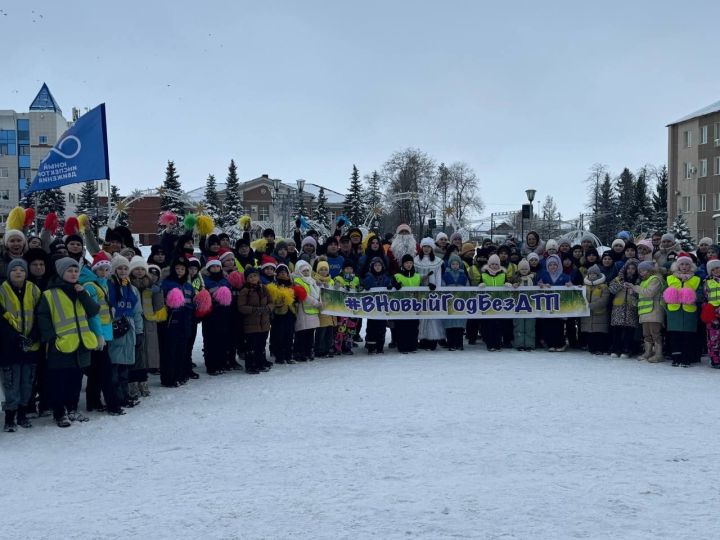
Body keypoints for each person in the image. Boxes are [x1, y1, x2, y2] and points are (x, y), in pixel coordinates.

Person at [37, 257, 100, 427]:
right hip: (61, 345)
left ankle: (72, 409)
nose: (73, 274)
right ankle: (59, 413)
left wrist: (82, 294)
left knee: (75, 380)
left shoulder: (81, 290)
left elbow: (94, 310)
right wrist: (51, 338)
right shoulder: (50, 294)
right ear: (61, 272)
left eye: (75, 271)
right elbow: (43, 317)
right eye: (69, 271)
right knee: (59, 382)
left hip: (81, 344)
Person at [0, 259, 41, 431]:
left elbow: (41, 313)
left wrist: (33, 335)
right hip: (9, 346)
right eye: (14, 270)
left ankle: (23, 413)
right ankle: (10, 416)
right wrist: (14, 337)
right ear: (8, 273)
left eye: (21, 270)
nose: (18, 272)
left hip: (30, 345)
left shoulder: (33, 289)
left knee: (27, 382)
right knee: (11, 383)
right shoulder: (2, 290)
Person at [107, 254, 144, 409]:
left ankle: (125, 394)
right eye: (119, 268)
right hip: (115, 329)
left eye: (125, 268)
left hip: (129, 329)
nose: (122, 271)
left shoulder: (132, 288)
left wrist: (139, 331)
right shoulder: (109, 286)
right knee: (114, 366)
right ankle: (116, 397)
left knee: (124, 367)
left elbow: (137, 312)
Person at [160, 258, 195, 387]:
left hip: (185, 320)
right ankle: (169, 377)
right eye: (177, 269)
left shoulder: (188, 286)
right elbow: (161, 301)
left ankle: (180, 375)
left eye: (182, 269)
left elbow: (191, 302)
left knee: (182, 349)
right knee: (170, 350)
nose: (180, 271)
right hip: (171, 320)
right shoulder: (167, 283)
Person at [664, 254, 701, 367]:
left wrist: (692, 296)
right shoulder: (670, 278)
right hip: (674, 311)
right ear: (677, 266)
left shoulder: (696, 279)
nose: (684, 266)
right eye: (682, 264)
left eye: (687, 264)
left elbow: (701, 294)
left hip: (689, 311)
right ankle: (676, 358)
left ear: (691, 266)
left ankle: (686, 358)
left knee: (687, 336)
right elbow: (663, 294)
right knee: (675, 335)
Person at [237, 266, 272, 374]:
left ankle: (260, 363)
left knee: (261, 345)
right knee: (251, 345)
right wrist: (255, 310)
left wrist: (268, 308)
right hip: (251, 323)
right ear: (246, 278)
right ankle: (250, 365)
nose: (253, 278)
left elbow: (271, 302)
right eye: (250, 276)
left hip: (264, 322)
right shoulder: (245, 290)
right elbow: (241, 307)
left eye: (255, 276)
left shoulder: (263, 288)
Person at [537, 254, 572, 352]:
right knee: (549, 325)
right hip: (547, 305)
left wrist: (569, 285)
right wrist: (542, 285)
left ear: (559, 265)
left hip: (560, 306)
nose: (553, 267)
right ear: (547, 266)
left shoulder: (564, 276)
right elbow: (538, 285)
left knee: (559, 325)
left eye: (555, 264)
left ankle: (560, 344)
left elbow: (570, 285)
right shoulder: (544, 275)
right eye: (550, 265)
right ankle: (550, 344)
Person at [415, 238, 444, 350]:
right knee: (422, 317)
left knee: (432, 317)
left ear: (432, 248)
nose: (426, 249)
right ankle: (422, 340)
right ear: (422, 247)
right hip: (420, 293)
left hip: (433, 293)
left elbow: (438, 277)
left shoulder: (437, 261)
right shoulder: (416, 260)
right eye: (424, 246)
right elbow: (415, 276)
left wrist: (437, 290)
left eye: (428, 247)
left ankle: (433, 340)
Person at [633, 260, 665, 362]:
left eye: (644, 270)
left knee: (655, 333)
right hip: (645, 312)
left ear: (650, 270)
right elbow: (642, 297)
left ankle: (659, 354)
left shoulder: (655, 279)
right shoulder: (643, 282)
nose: (642, 273)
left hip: (654, 311)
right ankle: (648, 353)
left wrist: (635, 288)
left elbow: (649, 293)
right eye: (640, 271)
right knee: (646, 334)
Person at [608, 258, 640, 358]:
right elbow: (611, 289)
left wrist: (633, 289)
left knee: (629, 331)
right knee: (617, 330)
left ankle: (627, 349)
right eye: (628, 268)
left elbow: (641, 294)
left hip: (631, 308)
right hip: (618, 307)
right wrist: (621, 284)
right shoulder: (618, 278)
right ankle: (616, 348)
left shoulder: (639, 280)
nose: (630, 270)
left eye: (633, 268)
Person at [267, 264, 297, 364]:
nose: (283, 274)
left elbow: (296, 298)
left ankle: (288, 355)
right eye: (281, 272)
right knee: (278, 335)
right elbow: (271, 300)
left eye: (285, 272)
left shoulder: (292, 285)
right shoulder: (274, 285)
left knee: (289, 335)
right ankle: (279, 355)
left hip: (290, 312)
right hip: (278, 314)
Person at [293, 260, 322, 362]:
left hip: (313, 312)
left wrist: (319, 301)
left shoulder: (312, 281)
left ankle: (308, 351)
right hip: (302, 312)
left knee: (310, 333)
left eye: (307, 270)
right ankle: (299, 352)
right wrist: (317, 303)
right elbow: (305, 296)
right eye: (303, 271)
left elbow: (319, 293)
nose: (306, 272)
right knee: (301, 333)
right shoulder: (297, 281)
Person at [362, 257, 392, 354]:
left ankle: (380, 346)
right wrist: (365, 286)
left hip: (382, 308)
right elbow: (364, 284)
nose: (377, 267)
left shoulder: (385, 278)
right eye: (375, 265)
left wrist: (390, 286)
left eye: (379, 265)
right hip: (372, 309)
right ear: (372, 267)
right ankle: (371, 346)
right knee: (371, 328)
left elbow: (390, 284)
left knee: (382, 328)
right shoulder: (369, 277)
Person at [392, 254, 420, 353]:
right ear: (403, 264)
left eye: (410, 263)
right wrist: (395, 285)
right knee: (402, 327)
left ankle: (413, 345)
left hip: (414, 306)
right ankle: (402, 346)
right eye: (407, 263)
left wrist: (429, 286)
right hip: (401, 307)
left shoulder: (417, 276)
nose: (409, 265)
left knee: (413, 326)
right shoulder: (397, 275)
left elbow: (422, 287)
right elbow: (390, 286)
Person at [479, 254, 507, 352]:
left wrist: (507, 284)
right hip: (488, 304)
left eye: (496, 264)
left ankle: (498, 344)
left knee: (498, 325)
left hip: (500, 304)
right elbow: (478, 286)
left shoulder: (503, 274)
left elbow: (506, 283)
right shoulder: (484, 274)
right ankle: (490, 344)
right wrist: (481, 284)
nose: (494, 266)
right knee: (489, 325)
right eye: (492, 264)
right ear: (489, 265)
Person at [580, 264, 610, 355]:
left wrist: (592, 305)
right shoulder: (584, 286)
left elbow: (604, 299)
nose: (592, 275)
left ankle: (600, 348)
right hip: (587, 314)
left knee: (599, 333)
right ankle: (591, 347)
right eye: (590, 274)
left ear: (598, 275)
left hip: (600, 314)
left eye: (595, 274)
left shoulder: (604, 286)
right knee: (590, 333)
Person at [510, 258, 538, 351]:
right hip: (518, 306)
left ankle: (530, 344)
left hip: (531, 306)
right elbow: (507, 286)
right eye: (522, 269)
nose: (524, 271)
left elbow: (539, 287)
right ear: (519, 270)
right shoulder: (515, 278)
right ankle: (519, 344)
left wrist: (542, 285)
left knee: (530, 326)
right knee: (519, 326)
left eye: (526, 269)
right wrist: (512, 285)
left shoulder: (533, 278)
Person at [441, 254, 467, 351]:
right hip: (449, 302)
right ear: (450, 264)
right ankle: (451, 343)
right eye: (453, 264)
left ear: (459, 265)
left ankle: (459, 343)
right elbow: (442, 286)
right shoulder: (445, 275)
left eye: (457, 264)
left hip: (461, 303)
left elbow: (468, 287)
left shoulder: (463, 275)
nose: (455, 265)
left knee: (460, 325)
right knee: (450, 324)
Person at [313, 259, 336, 358]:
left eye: (325, 269)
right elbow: (314, 294)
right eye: (321, 269)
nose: (323, 271)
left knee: (329, 332)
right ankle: (319, 349)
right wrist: (321, 287)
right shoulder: (315, 281)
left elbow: (336, 294)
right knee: (321, 332)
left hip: (331, 311)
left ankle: (328, 348)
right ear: (318, 271)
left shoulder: (331, 281)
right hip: (321, 311)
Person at [702, 258, 720, 368]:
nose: (717, 271)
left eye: (718, 268)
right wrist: (707, 307)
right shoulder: (707, 282)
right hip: (712, 312)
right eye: (714, 269)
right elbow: (705, 297)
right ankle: (715, 359)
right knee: (713, 336)